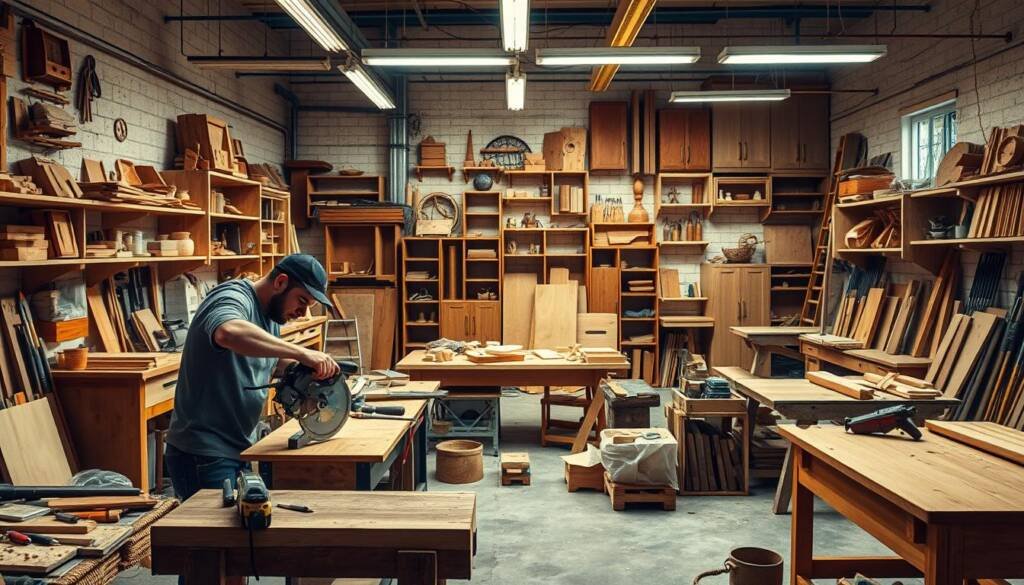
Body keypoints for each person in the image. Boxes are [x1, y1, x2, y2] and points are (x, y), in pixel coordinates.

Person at [165, 254, 341, 503]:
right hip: (203, 452)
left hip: (237, 448)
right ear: (280, 282)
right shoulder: (233, 296)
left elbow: (267, 360)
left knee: (242, 531)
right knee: (213, 538)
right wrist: (302, 352)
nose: (302, 313)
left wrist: (308, 373)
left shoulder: (270, 317)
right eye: (301, 300)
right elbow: (228, 332)